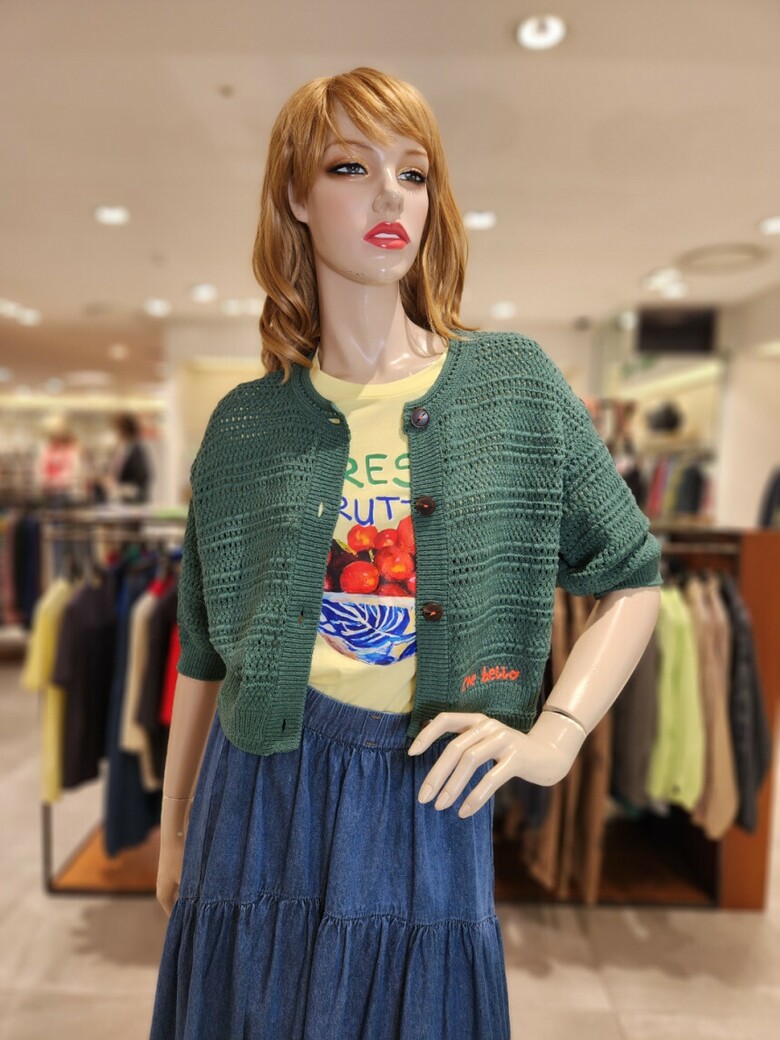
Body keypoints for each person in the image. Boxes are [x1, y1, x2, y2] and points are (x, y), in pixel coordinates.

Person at [150, 68, 661, 1040]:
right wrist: (175, 826)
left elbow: (630, 574)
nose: (391, 195)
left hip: (429, 787)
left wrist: (555, 734)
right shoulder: (246, 426)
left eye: (413, 173)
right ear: (297, 196)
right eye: (351, 167)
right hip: (256, 796)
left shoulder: (512, 387)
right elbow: (205, 651)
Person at [95, 412, 153, 505]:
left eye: (117, 429)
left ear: (124, 430)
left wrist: (122, 488)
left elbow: (144, 477)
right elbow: (115, 472)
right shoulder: (121, 448)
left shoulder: (136, 449)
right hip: (118, 498)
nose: (116, 433)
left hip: (132, 500)